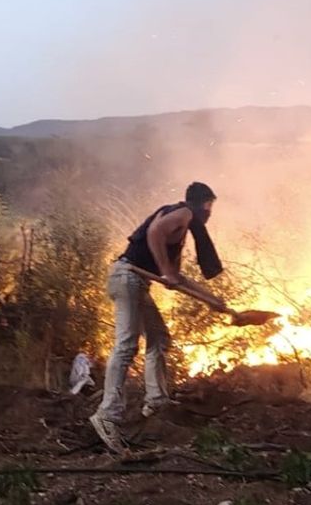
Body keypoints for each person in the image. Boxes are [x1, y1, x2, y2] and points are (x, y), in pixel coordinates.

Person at [90, 181, 230, 453]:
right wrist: (165, 270)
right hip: (127, 276)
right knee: (126, 345)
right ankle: (107, 415)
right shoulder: (183, 213)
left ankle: (156, 400)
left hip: (136, 282)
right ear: (201, 203)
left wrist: (212, 300)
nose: (210, 212)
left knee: (160, 339)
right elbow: (154, 233)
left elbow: (176, 278)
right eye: (209, 206)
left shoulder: (180, 228)